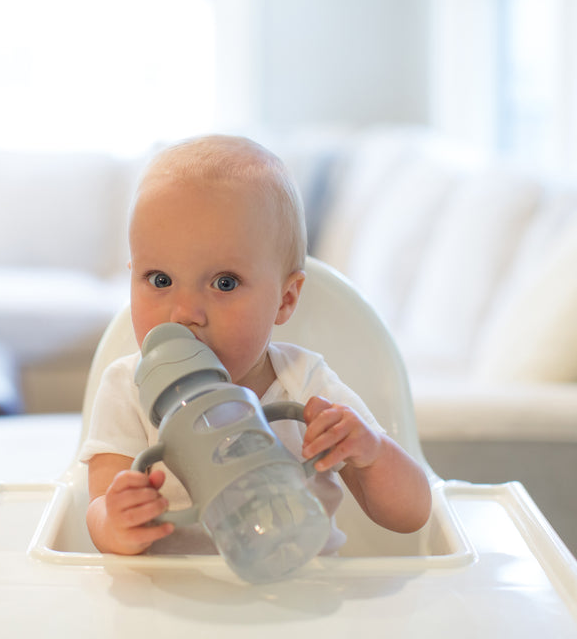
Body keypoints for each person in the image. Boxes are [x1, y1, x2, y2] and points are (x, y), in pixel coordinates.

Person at [80, 134, 431, 557]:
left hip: (303, 599)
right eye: (159, 280)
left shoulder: (306, 387)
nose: (185, 312)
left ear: (285, 299)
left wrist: (369, 454)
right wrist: (116, 520)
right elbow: (98, 509)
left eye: (224, 283)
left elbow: (411, 515)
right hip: (171, 608)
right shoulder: (125, 390)